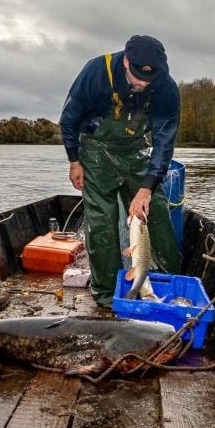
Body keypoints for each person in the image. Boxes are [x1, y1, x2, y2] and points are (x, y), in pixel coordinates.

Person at [60, 35, 181, 307]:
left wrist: (147, 187)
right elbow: (69, 118)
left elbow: (164, 141)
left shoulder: (166, 88)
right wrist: (74, 160)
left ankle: (166, 283)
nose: (141, 83)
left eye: (147, 79)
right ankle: (106, 293)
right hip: (95, 150)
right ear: (125, 61)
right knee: (101, 222)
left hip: (136, 151)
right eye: (136, 75)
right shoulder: (96, 72)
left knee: (156, 215)